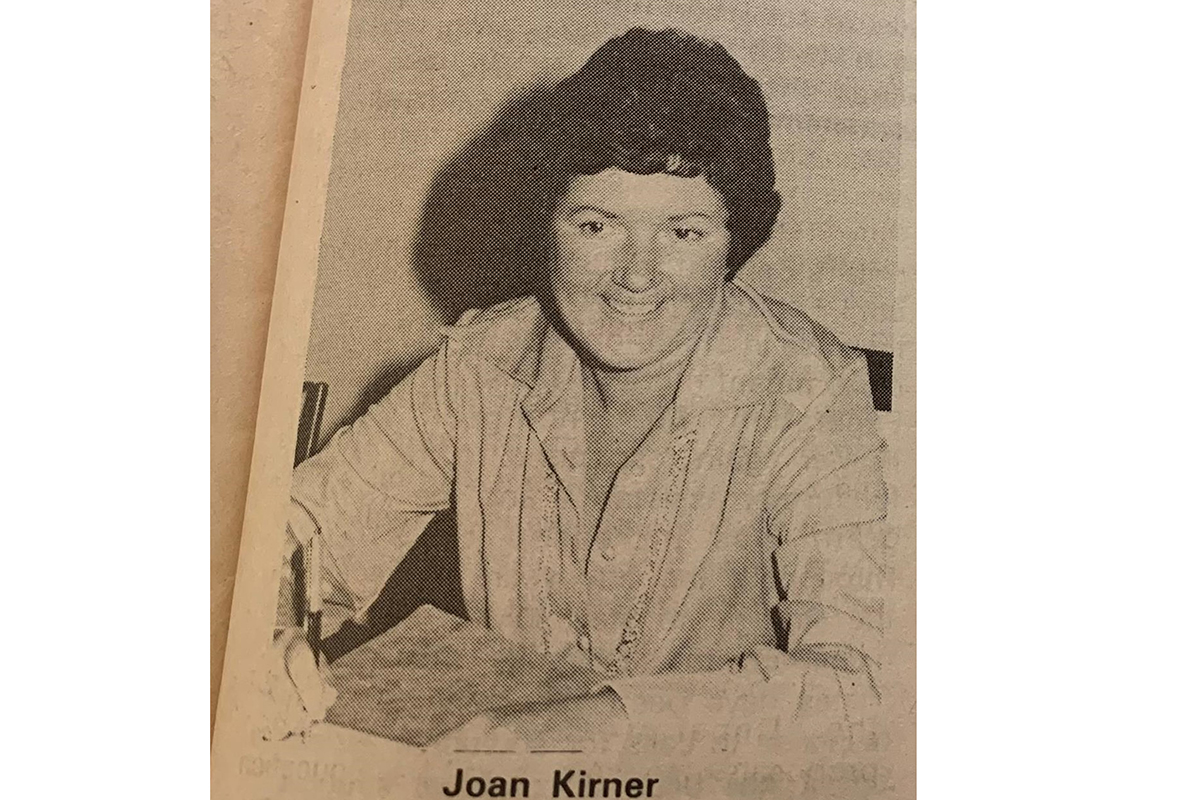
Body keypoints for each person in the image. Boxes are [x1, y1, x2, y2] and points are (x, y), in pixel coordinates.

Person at [268, 27, 889, 748]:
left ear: (734, 243)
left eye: (683, 233)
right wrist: (273, 635)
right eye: (597, 225)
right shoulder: (480, 366)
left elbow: (859, 685)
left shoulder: (810, 393)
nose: (635, 274)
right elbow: (294, 535)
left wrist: (609, 721)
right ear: (549, 225)